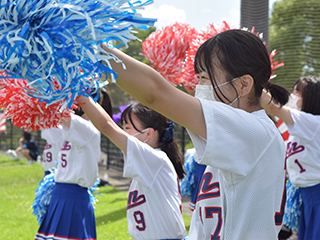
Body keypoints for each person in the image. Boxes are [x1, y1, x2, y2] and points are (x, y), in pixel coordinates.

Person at [100, 29, 289, 239]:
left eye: (205, 78)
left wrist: (92, 48)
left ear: (243, 84)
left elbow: (155, 94)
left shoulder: (253, 132)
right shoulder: (240, 134)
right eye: (198, 77)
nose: (199, 87)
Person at [77, 97, 186, 239]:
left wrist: (79, 93)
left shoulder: (155, 159)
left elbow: (106, 126)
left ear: (149, 133)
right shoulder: (150, 161)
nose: (123, 132)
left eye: (127, 128)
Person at [34, 90, 109, 240]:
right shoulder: (75, 127)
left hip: (72, 196)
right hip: (61, 193)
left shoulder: (88, 129)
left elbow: (54, 110)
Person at [261, 76, 320, 240]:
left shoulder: (314, 123)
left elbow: (273, 107)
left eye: (297, 91)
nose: (292, 95)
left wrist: (254, 84)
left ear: (311, 97)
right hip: (306, 195)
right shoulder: (302, 127)